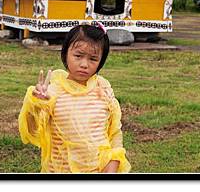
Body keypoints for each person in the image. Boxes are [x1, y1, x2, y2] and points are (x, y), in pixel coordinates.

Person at [18, 24, 131, 173]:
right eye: (78, 56)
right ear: (65, 54)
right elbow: (32, 131)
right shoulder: (51, 94)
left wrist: (111, 168)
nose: (84, 64)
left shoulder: (104, 92)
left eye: (93, 58)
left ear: (101, 61)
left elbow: (115, 135)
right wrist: (36, 105)